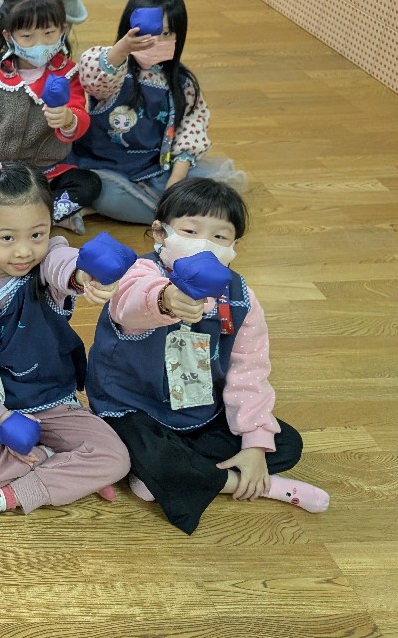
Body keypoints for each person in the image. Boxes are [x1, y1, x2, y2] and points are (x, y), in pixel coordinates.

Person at [86, 179, 330, 535]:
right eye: (190, 231)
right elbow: (129, 305)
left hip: (199, 410)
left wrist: (255, 444)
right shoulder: (141, 273)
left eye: (219, 236)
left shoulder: (240, 297)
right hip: (133, 407)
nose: (204, 243)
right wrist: (165, 299)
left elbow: (249, 370)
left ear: (234, 246)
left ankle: (173, 475)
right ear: (160, 233)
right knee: (141, 451)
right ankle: (253, 486)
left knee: (285, 443)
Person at [0, 164, 130, 547]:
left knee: (115, 458)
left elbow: (63, 265)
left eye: (37, 234)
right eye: (7, 237)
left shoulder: (46, 261)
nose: (24, 251)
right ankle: (57, 463)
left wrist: (83, 276)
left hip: (45, 398)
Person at [67, 0, 240, 224]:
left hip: (153, 169)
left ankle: (110, 208)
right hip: (100, 165)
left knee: (209, 195)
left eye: (167, 33)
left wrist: (175, 183)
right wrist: (122, 49)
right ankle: (146, 210)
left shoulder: (182, 83)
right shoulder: (116, 69)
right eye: (149, 33)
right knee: (100, 190)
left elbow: (191, 128)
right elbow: (93, 79)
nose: (157, 41)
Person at [0, 0, 101, 231]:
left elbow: (80, 116)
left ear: (63, 29)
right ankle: (41, 219)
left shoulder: (68, 73)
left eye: (49, 33)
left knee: (89, 184)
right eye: (27, 36)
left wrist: (69, 119)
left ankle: (14, 220)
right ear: (8, 35)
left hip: (48, 173)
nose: (39, 44)